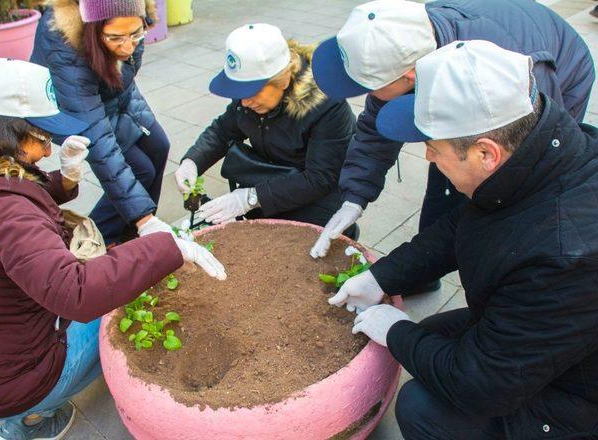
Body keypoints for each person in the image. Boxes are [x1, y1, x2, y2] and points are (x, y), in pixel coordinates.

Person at [333, 41, 598, 439]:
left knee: (422, 408)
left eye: (433, 148)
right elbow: (464, 223)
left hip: (579, 397)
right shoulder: (540, 150)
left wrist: (396, 330)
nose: (428, 158)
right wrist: (380, 278)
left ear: (485, 154)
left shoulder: (565, 255)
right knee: (434, 333)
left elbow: (483, 386)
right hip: (554, 332)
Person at [0, 59, 226, 440]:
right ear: (9, 134)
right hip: (10, 383)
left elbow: (8, 210)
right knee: (120, 307)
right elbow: (77, 291)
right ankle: (30, 417)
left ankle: (24, 415)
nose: (49, 144)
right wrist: (167, 248)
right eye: (42, 132)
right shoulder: (7, 206)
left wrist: (63, 181)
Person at [309, 0, 595, 295]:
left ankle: (511, 287)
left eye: (371, 85)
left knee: (507, 191)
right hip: (499, 37)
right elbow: (376, 124)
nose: (426, 155)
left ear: (410, 76)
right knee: (449, 173)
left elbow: (530, 157)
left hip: (559, 67)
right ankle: (423, 275)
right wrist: (354, 196)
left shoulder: (505, 71)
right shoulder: (402, 45)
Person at [174, 24, 357, 236]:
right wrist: (192, 161)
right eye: (238, 91)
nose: (243, 101)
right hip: (269, 179)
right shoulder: (247, 99)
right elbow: (223, 130)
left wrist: (251, 197)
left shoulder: (327, 105)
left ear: (284, 78)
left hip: (316, 191)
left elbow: (321, 177)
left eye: (252, 91)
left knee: (311, 241)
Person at [31, 0, 171, 245]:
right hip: (72, 109)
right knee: (140, 170)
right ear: (93, 29)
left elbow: (124, 71)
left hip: (115, 93)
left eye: (136, 34)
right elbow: (98, 142)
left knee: (159, 146)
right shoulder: (65, 43)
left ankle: (138, 240)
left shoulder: (134, 16)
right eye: (116, 38)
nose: (128, 47)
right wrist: (143, 218)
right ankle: (90, 243)